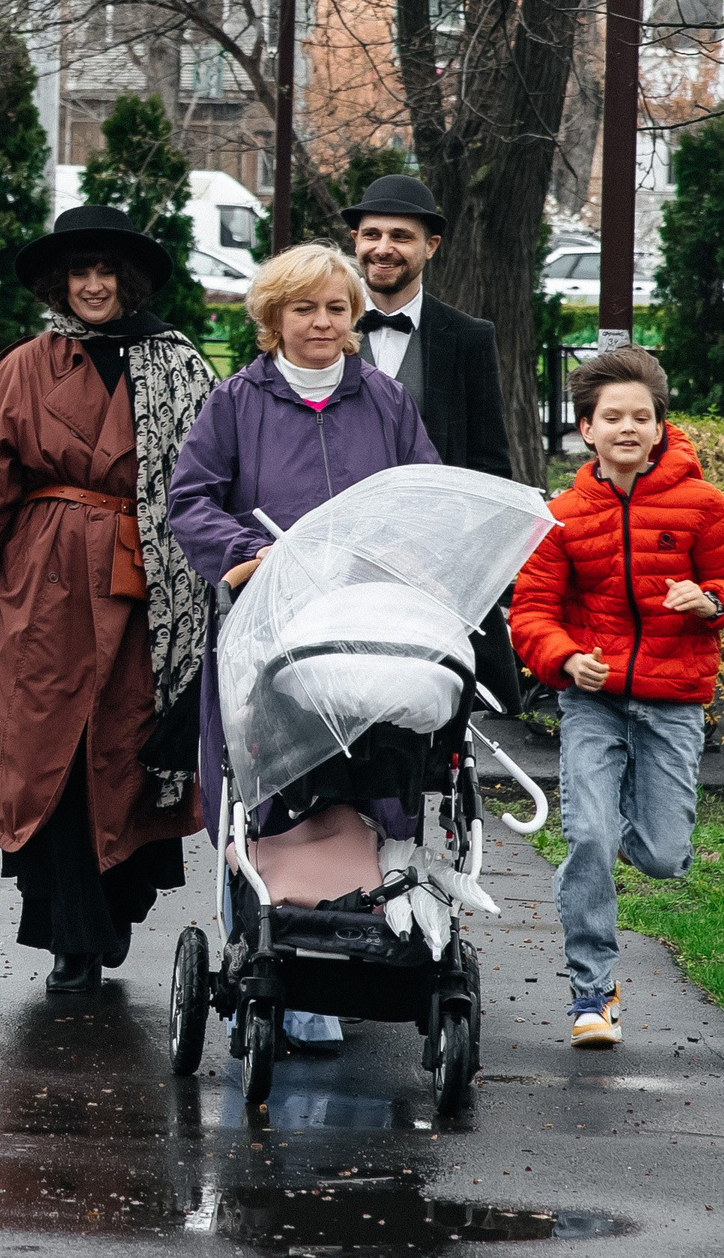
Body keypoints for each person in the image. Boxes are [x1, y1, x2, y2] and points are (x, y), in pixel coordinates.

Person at [168, 241, 438, 1053]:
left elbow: (420, 490)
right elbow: (191, 496)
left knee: (368, 768)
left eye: (334, 307)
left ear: (353, 316)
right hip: (268, 629)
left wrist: (405, 555)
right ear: (272, 318)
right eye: (303, 308)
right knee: (268, 784)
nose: (321, 322)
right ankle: (274, 950)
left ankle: (363, 924)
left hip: (363, 627)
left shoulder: (384, 401)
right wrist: (239, 558)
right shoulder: (237, 403)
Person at [0, 207, 214, 993]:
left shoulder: (178, 364)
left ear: (129, 279)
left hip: (148, 589)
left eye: (106, 272)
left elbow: (211, 479)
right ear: (59, 283)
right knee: (54, 751)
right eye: (79, 273)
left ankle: (114, 905)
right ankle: (69, 937)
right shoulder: (25, 365)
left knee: (126, 743)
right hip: (43, 589)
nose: (93, 286)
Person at [510, 346, 724, 1049]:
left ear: (658, 427)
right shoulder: (562, 515)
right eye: (611, 416)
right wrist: (564, 658)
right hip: (593, 699)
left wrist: (710, 598)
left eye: (640, 416)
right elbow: (530, 611)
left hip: (672, 700)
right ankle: (592, 993)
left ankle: (609, 824)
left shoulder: (701, 503)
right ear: (585, 429)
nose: (627, 426)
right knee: (588, 836)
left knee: (661, 855)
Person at [341, 173, 526, 707]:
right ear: (356, 241)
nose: (384, 248)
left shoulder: (468, 337)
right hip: (342, 559)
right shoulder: (323, 330)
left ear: (430, 247)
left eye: (401, 235)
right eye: (372, 234)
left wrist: (467, 564)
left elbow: (487, 463)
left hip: (436, 565)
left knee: (436, 708)